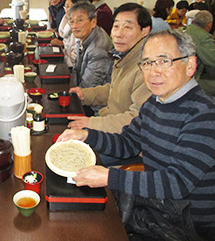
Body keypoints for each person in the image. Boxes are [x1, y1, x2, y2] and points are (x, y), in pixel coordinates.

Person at [58, 30, 215, 241]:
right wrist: (87, 136)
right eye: (147, 63)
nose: (153, 71)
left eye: (163, 61)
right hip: (157, 205)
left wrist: (108, 177)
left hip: (186, 224)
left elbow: (177, 182)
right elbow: (128, 143)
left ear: (190, 65)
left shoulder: (204, 115)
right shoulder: (155, 103)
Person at [68, 3, 152, 162]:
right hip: (110, 125)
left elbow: (136, 119)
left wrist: (92, 123)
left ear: (145, 31)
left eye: (127, 27)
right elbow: (113, 88)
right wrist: (85, 94)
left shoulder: (147, 67)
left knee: (72, 154)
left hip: (127, 144)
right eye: (116, 26)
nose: (119, 34)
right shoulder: (125, 55)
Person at [69, 1, 113, 92]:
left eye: (80, 20)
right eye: (72, 21)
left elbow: (87, 88)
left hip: (95, 103)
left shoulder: (98, 50)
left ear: (93, 22)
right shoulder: (88, 35)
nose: (74, 26)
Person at [50, 0, 84, 70]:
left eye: (73, 6)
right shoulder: (66, 20)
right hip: (66, 60)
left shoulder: (78, 28)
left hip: (73, 68)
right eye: (67, 6)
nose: (69, 10)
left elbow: (76, 58)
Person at [185, 10, 215, 96]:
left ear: (193, 21)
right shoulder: (204, 37)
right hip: (191, 80)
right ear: (209, 24)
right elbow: (212, 60)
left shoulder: (185, 30)